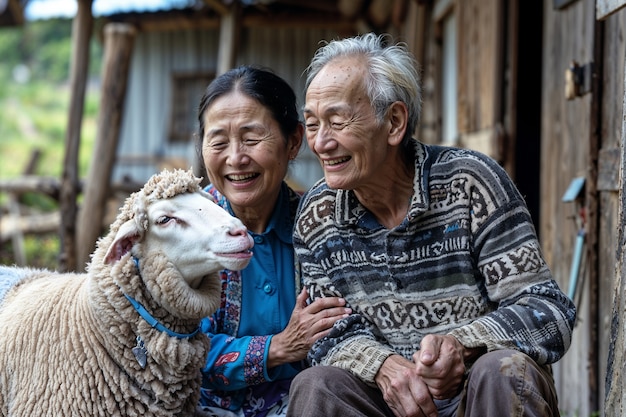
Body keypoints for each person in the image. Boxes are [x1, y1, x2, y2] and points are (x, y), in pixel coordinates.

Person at [287, 33, 577, 417]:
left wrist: (463, 346)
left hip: (479, 396)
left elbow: (546, 310)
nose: (321, 143)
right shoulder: (316, 215)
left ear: (394, 122)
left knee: (503, 371)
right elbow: (325, 334)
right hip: (384, 402)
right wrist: (384, 368)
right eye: (311, 124)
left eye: (337, 121)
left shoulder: (471, 183)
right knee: (316, 385)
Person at [195, 65, 352, 417]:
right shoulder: (183, 231)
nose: (236, 158)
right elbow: (177, 349)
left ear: (293, 141)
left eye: (251, 139)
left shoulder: (323, 228)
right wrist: (278, 348)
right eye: (219, 142)